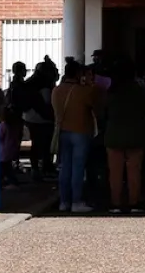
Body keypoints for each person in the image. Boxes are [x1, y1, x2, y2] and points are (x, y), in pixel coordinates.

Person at [52, 60, 99, 213]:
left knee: (65, 167)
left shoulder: (57, 90)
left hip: (62, 131)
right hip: (81, 131)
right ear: (78, 74)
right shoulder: (83, 91)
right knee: (78, 168)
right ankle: (76, 201)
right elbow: (95, 105)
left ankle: (64, 201)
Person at [104, 64, 145, 213]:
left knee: (115, 172)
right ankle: (134, 202)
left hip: (114, 135)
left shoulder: (111, 92)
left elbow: (103, 112)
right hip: (135, 134)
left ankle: (115, 202)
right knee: (134, 171)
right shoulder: (138, 91)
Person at [24, 58, 59, 180]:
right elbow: (47, 104)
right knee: (45, 145)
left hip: (30, 118)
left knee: (36, 145)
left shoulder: (30, 82)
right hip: (42, 119)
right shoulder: (44, 86)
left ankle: (36, 168)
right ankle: (45, 168)